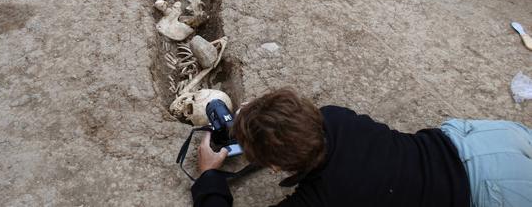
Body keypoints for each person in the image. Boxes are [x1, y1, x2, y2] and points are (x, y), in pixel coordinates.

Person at [191, 88, 532, 207]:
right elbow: (292, 124)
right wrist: (259, 116)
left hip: (491, 191)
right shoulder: (334, 118)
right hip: (486, 138)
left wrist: (209, 176)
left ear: (277, 167)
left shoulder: (326, 199)